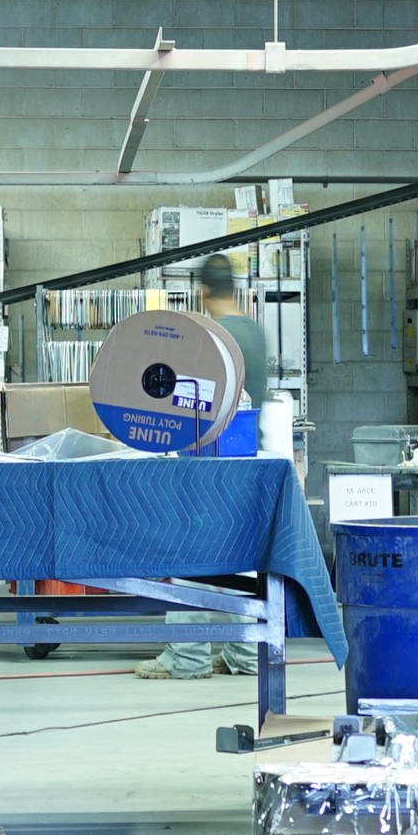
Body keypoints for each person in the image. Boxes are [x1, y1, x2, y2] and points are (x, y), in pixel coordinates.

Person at [137, 252, 268, 680]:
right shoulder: (253, 331)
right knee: (241, 561)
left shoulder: (207, 336)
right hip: (246, 459)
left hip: (205, 462)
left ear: (203, 291)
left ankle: (187, 658)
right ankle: (244, 655)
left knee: (190, 555)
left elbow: (185, 401)